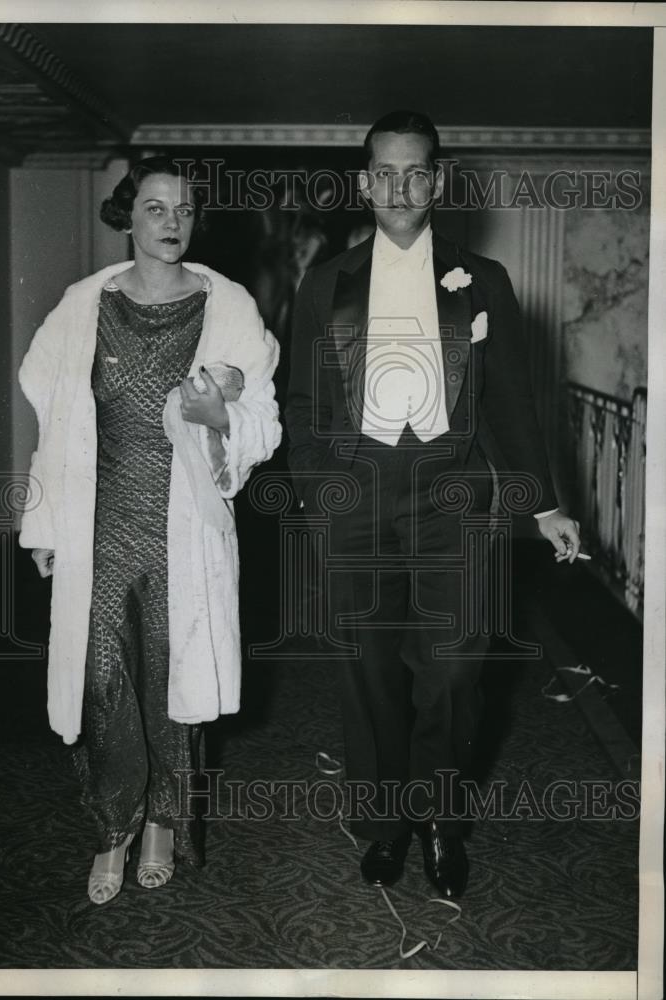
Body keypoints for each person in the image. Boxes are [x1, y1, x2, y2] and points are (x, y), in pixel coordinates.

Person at [285, 111, 581, 898]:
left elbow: (512, 401)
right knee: (368, 672)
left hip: (455, 492)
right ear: (363, 183)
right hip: (357, 492)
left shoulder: (482, 280)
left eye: (416, 171)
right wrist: (322, 493)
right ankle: (385, 826)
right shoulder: (325, 283)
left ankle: (442, 825)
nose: (400, 187)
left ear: (438, 181)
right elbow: (303, 401)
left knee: (452, 671)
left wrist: (542, 504)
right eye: (384, 172)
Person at [18, 155, 281, 904]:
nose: (172, 223)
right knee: (103, 679)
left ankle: (163, 822)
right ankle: (113, 827)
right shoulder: (83, 305)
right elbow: (55, 418)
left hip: (184, 526)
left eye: (185, 209)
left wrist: (219, 413)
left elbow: (262, 421)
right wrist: (44, 520)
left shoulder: (225, 306)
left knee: (175, 677)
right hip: (99, 522)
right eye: (157, 208)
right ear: (128, 216)